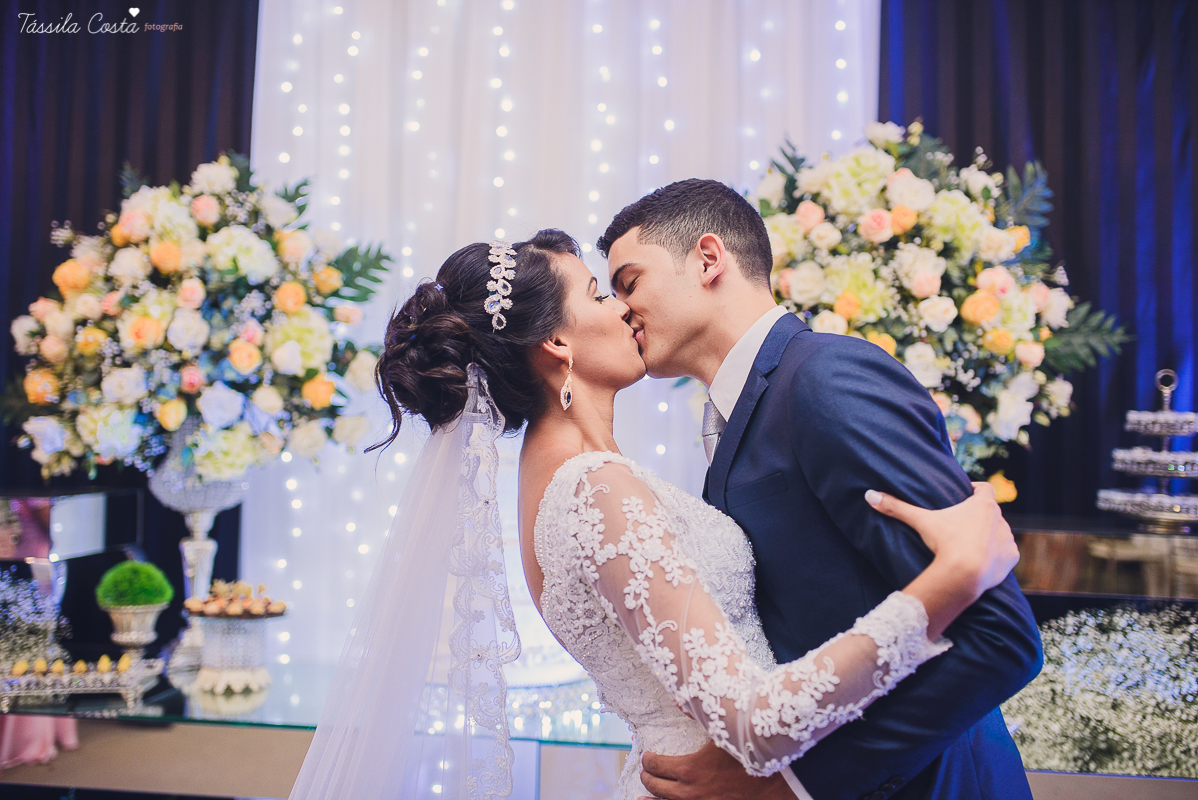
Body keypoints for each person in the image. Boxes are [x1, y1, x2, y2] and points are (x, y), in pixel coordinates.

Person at [288, 229, 1023, 800]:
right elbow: (755, 725)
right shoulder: (594, 491)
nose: (623, 308)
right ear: (556, 342)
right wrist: (948, 581)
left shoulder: (565, 485)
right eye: (598, 294)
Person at [596, 180, 1044, 800]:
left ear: (708, 259)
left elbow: (998, 635)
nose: (620, 309)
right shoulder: (740, 415)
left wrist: (790, 785)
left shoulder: (825, 377)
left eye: (629, 282)